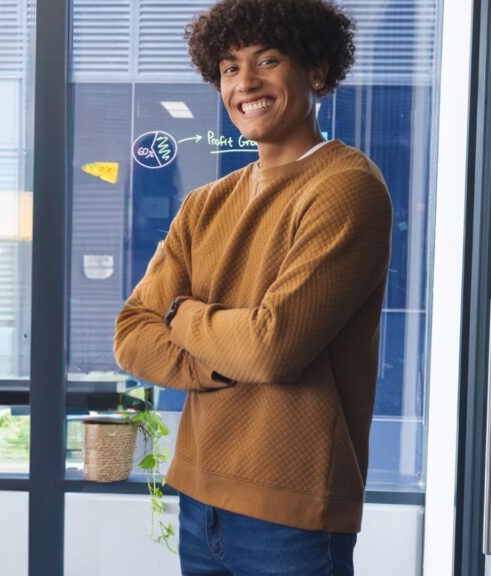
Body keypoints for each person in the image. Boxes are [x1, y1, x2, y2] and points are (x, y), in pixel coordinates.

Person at [114, 1, 392, 574]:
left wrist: (182, 313)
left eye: (268, 60)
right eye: (229, 68)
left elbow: (271, 348)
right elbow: (132, 336)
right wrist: (225, 356)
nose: (246, 83)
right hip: (198, 495)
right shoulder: (205, 203)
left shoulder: (345, 188)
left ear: (315, 69)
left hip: (291, 515)